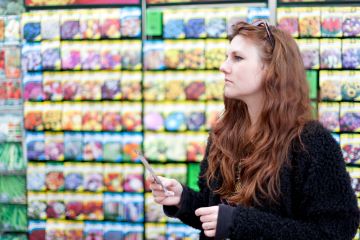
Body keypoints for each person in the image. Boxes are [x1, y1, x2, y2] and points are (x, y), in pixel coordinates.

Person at [148, 20, 360, 240]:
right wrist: (183, 199)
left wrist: (238, 222)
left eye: (237, 58)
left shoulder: (311, 143)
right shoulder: (223, 134)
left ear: (271, 69)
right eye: (226, 56)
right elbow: (214, 212)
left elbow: (336, 230)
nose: (224, 66)